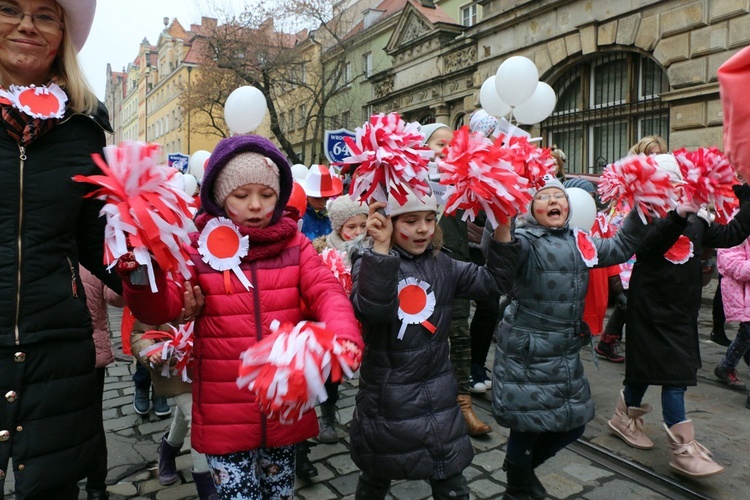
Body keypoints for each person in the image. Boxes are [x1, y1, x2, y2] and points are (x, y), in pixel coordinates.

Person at [120, 134, 363, 499]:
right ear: (220, 195)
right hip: (224, 411)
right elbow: (162, 309)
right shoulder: (199, 247)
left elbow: (325, 290)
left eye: (266, 195)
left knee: (279, 494)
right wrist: (140, 275)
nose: (255, 206)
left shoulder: (295, 245)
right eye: (241, 195)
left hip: (282, 407)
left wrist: (343, 333)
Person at [487, 174, 695, 499]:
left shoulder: (579, 240)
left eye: (560, 196)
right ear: (529, 207)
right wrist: (500, 224)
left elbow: (621, 247)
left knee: (575, 423)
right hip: (527, 351)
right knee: (526, 426)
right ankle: (518, 486)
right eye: (544, 197)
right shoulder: (524, 240)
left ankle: (520, 470)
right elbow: (501, 261)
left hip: (564, 352)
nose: (554, 201)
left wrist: (645, 208)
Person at [0, 1, 126, 497]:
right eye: (10, 8)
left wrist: (164, 285)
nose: (27, 24)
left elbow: (103, 244)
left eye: (46, 14)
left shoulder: (84, 129)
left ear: (62, 35)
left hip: (57, 349)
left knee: (51, 488)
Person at [349, 186, 517, 500]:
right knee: (376, 476)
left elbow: (495, 282)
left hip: (439, 399)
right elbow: (371, 310)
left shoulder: (445, 265)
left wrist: (503, 229)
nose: (423, 228)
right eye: (410, 220)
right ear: (387, 221)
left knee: (451, 480)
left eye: (429, 218)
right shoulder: (370, 262)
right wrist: (381, 249)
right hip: (388, 402)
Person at [606, 155, 750, 479]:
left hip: (681, 312)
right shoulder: (644, 214)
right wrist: (676, 215)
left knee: (645, 372)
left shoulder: (696, 216)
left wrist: (747, 194)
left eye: (677, 182)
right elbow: (648, 249)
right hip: (650, 309)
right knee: (674, 378)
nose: (674, 188)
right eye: (667, 183)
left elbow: (732, 234)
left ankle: (621, 417)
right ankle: (682, 449)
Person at [420, 121, 493, 435]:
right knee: (423, 340)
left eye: (452, 145)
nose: (446, 150)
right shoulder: (412, 180)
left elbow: (481, 219)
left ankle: (464, 404)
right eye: (439, 144)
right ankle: (424, 404)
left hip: (457, 268)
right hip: (419, 274)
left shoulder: (464, 182)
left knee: (461, 337)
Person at [294, 194, 369, 481]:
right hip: (321, 326)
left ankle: (328, 413)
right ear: (338, 227)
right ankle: (301, 443)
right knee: (310, 381)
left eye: (364, 225)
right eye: (353, 226)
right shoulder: (322, 251)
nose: (359, 232)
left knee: (333, 378)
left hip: (352, 328)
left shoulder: (371, 250)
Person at [129, 320, 218, 499]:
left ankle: (167, 452)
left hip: (212, 366)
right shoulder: (154, 292)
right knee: (198, 420)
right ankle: (209, 490)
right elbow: (139, 332)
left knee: (188, 414)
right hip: (175, 369)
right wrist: (152, 352)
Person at [80, 267, 124, 500]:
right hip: (57, 357)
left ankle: (96, 488)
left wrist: (129, 269)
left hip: (90, 355)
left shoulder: (91, 256)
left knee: (92, 423)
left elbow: (116, 296)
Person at [713, 183, 750, 401]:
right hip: (744, 293)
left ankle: (726, 366)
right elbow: (728, 260)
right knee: (747, 334)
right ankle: (726, 366)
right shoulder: (738, 223)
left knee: (746, 336)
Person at [301, 164, 343, 240]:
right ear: (307, 194)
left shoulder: (334, 215)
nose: (322, 202)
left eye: (326, 198)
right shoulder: (299, 216)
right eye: (316, 198)